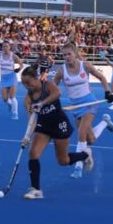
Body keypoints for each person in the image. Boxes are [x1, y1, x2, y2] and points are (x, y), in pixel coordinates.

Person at [20, 67, 92, 199]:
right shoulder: (28, 99)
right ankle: (36, 189)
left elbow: (57, 93)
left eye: (28, 82)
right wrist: (27, 136)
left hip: (59, 125)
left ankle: (84, 155)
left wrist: (42, 103)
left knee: (63, 161)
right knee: (33, 153)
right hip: (43, 127)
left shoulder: (47, 85)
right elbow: (31, 120)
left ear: (36, 79)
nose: (26, 86)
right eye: (23, 83)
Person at [53, 42, 113, 179]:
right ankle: (105, 122)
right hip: (75, 107)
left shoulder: (85, 65)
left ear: (75, 53)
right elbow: (53, 87)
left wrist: (107, 92)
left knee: (81, 134)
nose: (67, 57)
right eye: (64, 55)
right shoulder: (61, 70)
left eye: (69, 54)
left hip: (89, 103)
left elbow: (102, 77)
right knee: (90, 139)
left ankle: (78, 167)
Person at [0, 41, 24, 120]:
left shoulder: (13, 56)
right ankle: (10, 104)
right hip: (3, 77)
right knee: (5, 99)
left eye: (6, 46)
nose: (5, 48)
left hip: (12, 76)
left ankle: (15, 113)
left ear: (9, 47)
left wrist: (18, 69)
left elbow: (21, 64)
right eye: (3, 46)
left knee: (12, 96)